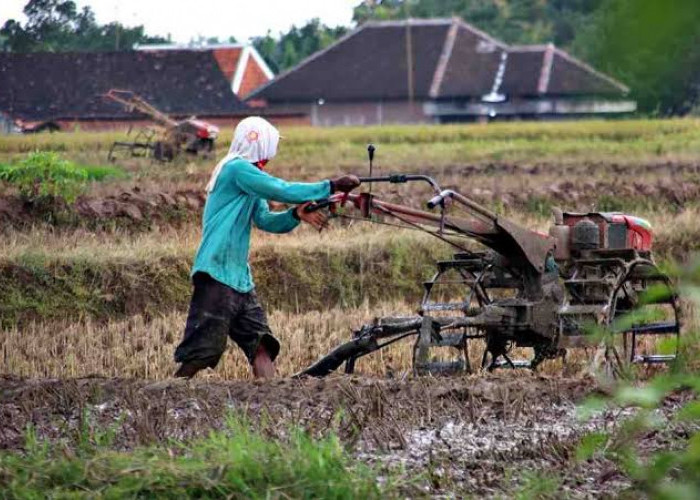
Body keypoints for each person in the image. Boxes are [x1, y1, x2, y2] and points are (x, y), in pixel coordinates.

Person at [174, 116, 360, 379]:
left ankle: (272, 402)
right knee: (202, 353)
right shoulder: (236, 169)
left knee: (262, 345)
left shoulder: (250, 179)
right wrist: (329, 186)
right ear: (260, 143)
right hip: (216, 273)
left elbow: (267, 221)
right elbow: (279, 189)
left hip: (239, 280)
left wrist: (295, 215)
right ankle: (168, 396)